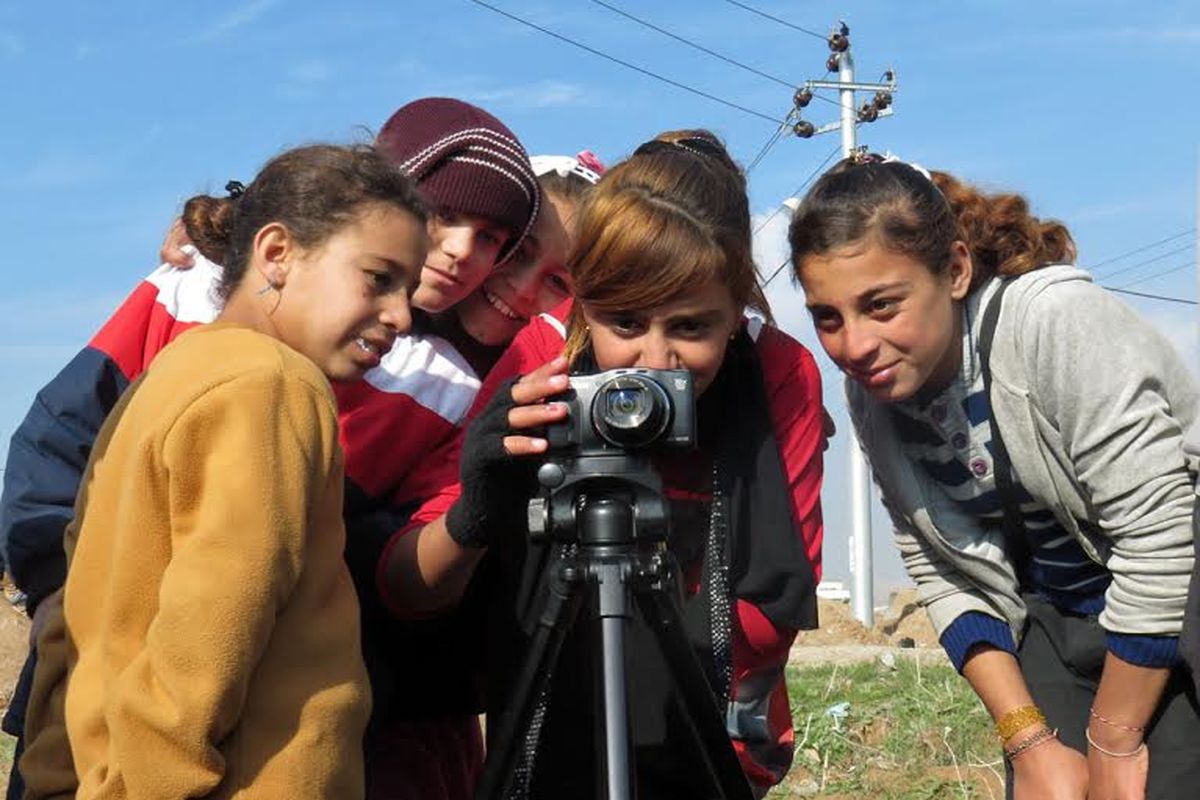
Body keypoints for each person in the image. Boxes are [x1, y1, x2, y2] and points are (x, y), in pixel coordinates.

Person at [0, 97, 542, 800]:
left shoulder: (176, 371)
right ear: (277, 252)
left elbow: (83, 624)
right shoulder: (278, 385)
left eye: (406, 290)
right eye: (378, 278)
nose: (401, 313)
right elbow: (208, 633)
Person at [379, 132, 827, 798]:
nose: (654, 362)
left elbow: (775, 603)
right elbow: (408, 589)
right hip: (552, 735)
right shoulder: (547, 357)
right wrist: (478, 508)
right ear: (582, 304)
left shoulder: (778, 372)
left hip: (713, 737)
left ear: (736, 314)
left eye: (691, 328)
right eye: (624, 320)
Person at [788, 152, 1200, 799]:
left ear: (954, 270)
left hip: (1175, 593)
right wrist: (1030, 741)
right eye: (828, 318)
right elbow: (941, 567)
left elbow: (1158, 537)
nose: (855, 344)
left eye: (882, 305)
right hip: (1059, 618)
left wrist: (1111, 742)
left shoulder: (1052, 322)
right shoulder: (873, 394)